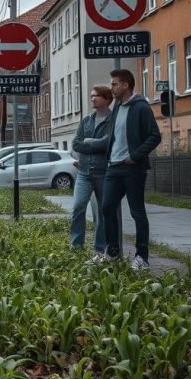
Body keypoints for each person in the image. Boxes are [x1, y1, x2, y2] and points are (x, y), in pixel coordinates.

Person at [99, 68, 161, 270]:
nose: (112, 88)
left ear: (126, 85)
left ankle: (141, 257)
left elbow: (154, 136)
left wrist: (135, 156)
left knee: (137, 212)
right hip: (114, 167)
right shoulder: (117, 106)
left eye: (115, 84)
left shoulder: (141, 107)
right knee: (107, 207)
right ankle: (113, 252)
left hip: (133, 169)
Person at [69, 85, 119, 255]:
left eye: (96, 96)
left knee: (104, 211)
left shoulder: (113, 119)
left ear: (106, 99)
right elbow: (76, 144)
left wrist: (88, 142)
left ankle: (100, 247)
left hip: (104, 173)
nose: (92, 99)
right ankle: (76, 246)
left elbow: (108, 143)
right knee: (78, 206)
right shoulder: (87, 120)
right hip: (84, 172)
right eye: (91, 95)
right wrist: (94, 143)